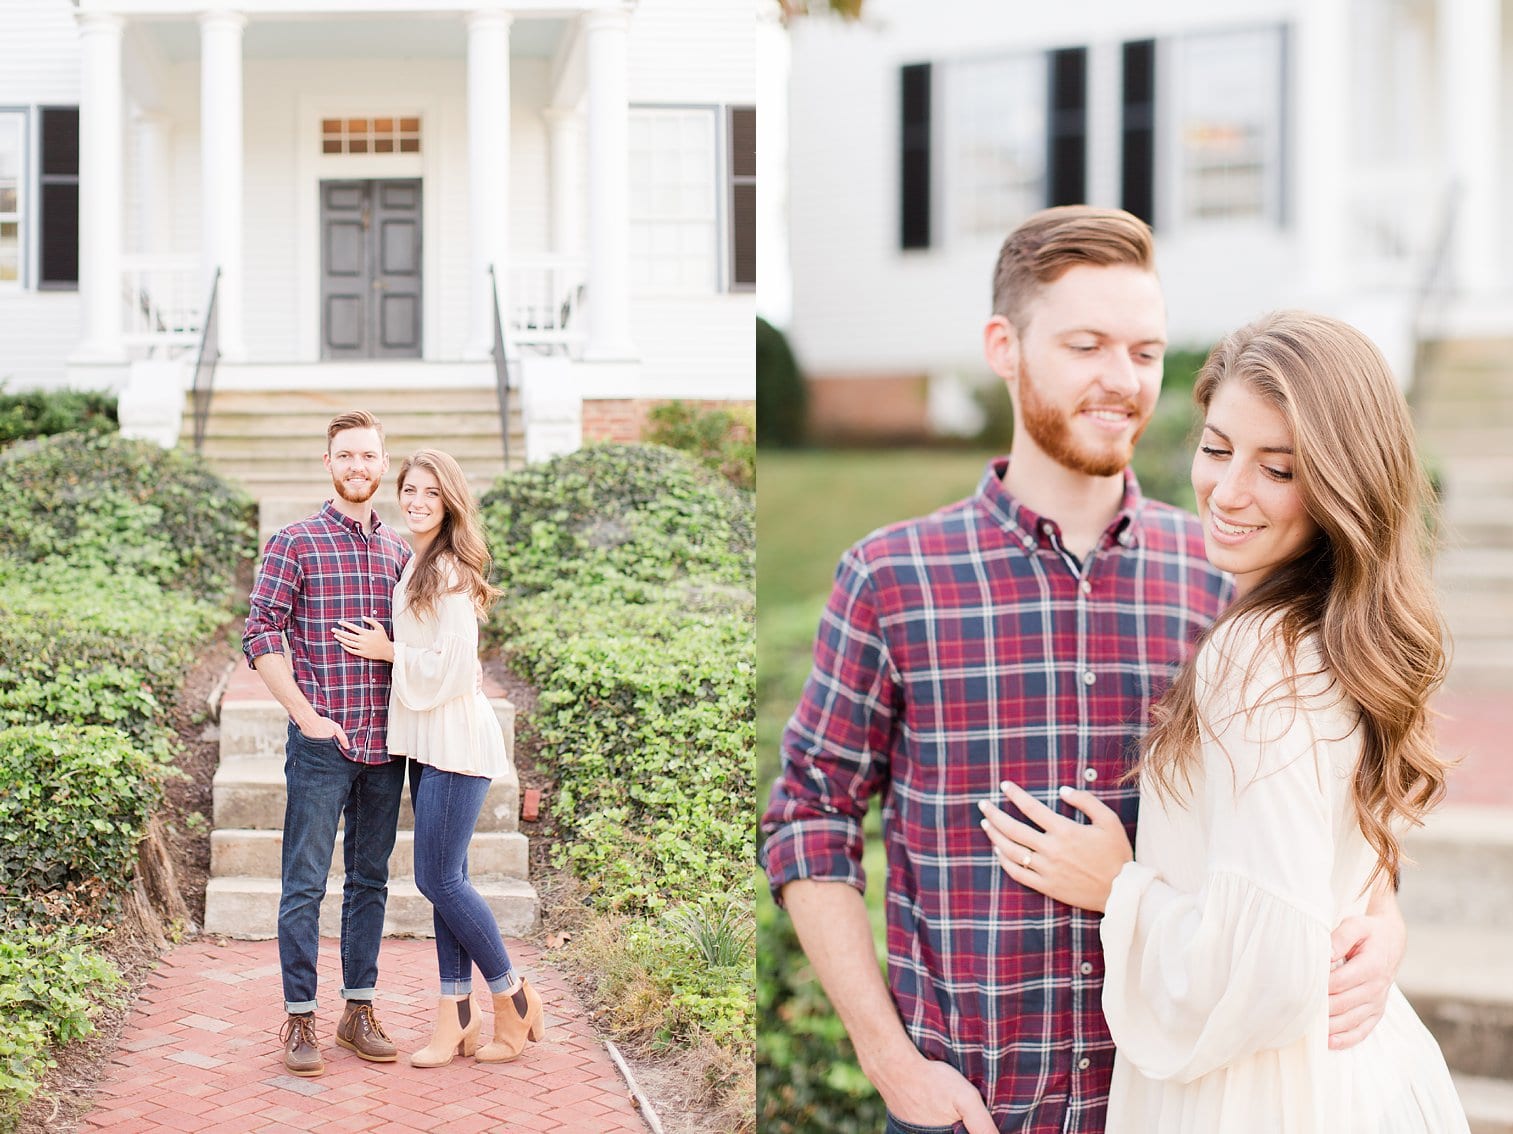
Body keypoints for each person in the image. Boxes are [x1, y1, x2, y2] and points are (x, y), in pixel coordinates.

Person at [759, 206, 1407, 1134]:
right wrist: (889, 1061)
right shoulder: (891, 577)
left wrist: (1382, 923)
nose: (1121, 380)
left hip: (1171, 1103)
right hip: (965, 1110)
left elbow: (1331, 805)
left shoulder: (1232, 582)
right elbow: (809, 814)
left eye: (1145, 351)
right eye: (1087, 345)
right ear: (1004, 345)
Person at [979, 311, 1468, 1132]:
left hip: (1265, 1097)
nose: (1228, 492)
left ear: (1344, 482)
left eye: (1277, 469)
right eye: (1216, 449)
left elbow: (1264, 969)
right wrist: (1384, 921)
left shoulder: (1257, 653)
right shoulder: (1341, 634)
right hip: (1356, 1075)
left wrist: (1118, 887)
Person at [332, 448, 546, 1068]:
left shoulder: (448, 571)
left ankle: (513, 994)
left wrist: (389, 651)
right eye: (411, 490)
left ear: (450, 501)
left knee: (438, 878)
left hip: (456, 741)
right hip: (428, 741)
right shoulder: (419, 562)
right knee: (448, 881)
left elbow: (454, 668)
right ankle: (457, 1012)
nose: (418, 501)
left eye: (431, 492)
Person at [243, 409, 412, 1077]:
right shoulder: (294, 542)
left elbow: (423, 647)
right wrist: (305, 715)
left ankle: (358, 1011)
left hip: (385, 747)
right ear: (328, 464)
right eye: (346, 455)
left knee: (369, 881)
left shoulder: (400, 554)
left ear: (382, 463)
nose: (357, 466)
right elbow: (260, 634)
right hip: (321, 746)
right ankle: (301, 1018)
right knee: (305, 884)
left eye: (368, 456)